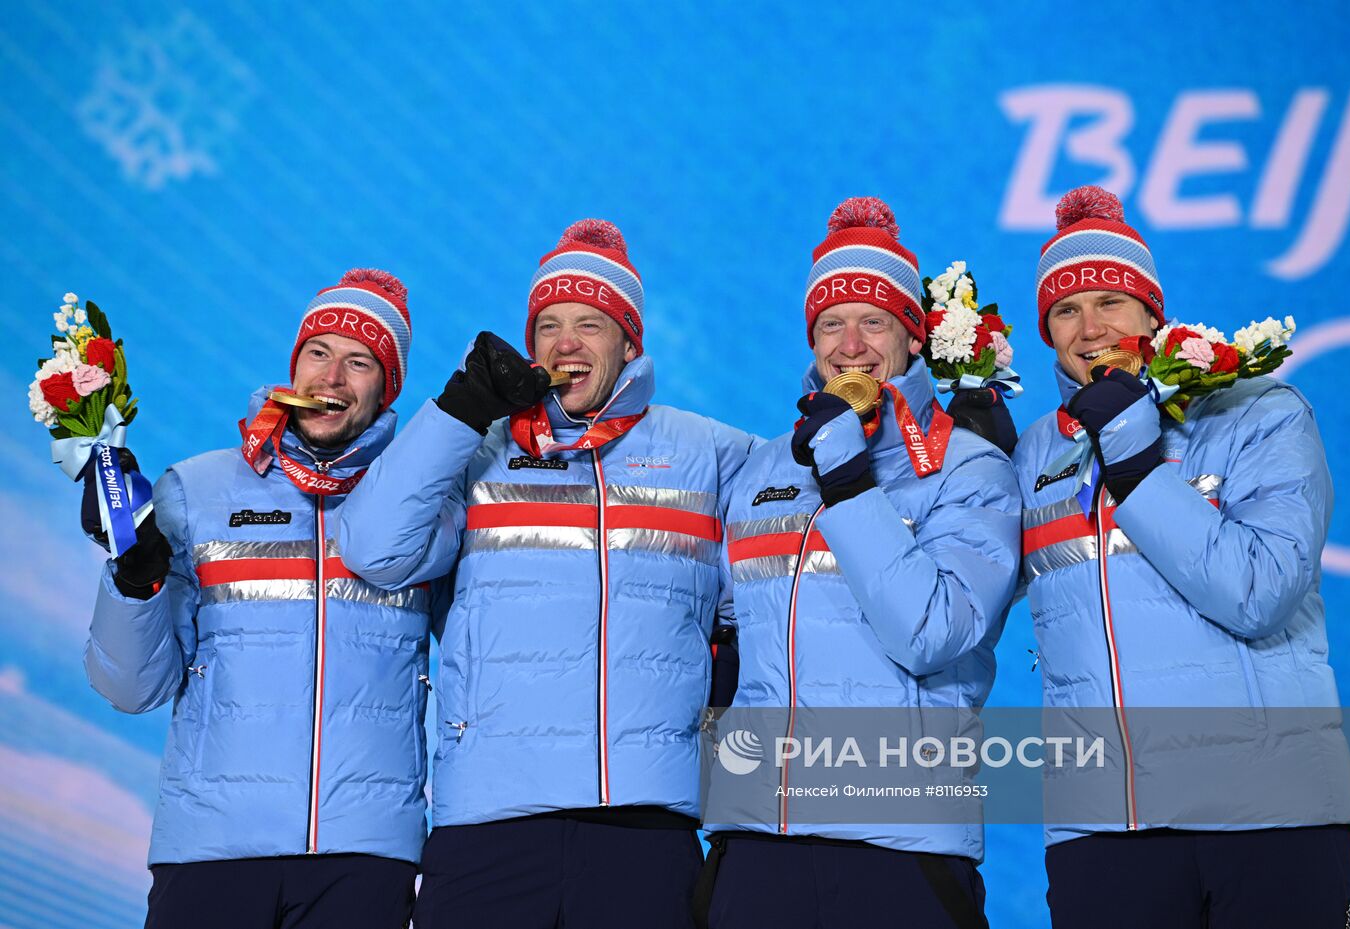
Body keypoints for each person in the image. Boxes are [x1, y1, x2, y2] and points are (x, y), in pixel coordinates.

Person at [337, 220, 757, 929]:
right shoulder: (477, 450)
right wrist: (461, 409)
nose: (566, 343)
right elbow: (375, 548)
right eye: (549, 325)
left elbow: (769, 596)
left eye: (590, 324)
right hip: (488, 821)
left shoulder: (708, 453)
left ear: (630, 341)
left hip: (644, 825)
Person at [1012, 186, 1350, 928]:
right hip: (1107, 827)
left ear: (1152, 314)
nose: (1090, 327)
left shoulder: (1258, 411)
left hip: (1271, 812)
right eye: (1066, 310)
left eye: (1111, 302)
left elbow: (1259, 592)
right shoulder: (1034, 452)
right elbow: (954, 606)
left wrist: (1135, 466)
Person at [699, 197, 1020, 929]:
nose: (851, 344)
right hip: (760, 840)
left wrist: (847, 479)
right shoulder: (764, 468)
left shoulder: (969, 467)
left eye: (873, 321)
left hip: (899, 843)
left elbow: (932, 633)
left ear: (911, 336)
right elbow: (726, 636)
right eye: (829, 323)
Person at [84, 269, 437, 929]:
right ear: (293, 365)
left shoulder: (421, 511)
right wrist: (133, 582)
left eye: (359, 361)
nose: (331, 377)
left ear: (387, 386)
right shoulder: (197, 488)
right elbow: (132, 687)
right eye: (318, 354)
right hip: (212, 848)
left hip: (363, 856)